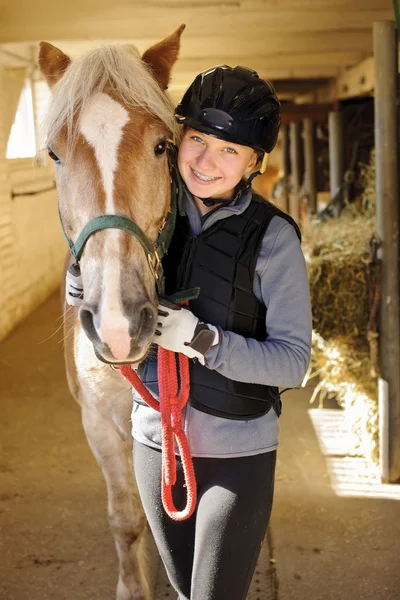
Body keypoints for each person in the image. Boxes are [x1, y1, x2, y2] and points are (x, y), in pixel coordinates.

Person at [131, 65, 312, 600]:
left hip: (239, 452)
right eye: (198, 139)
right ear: (178, 136)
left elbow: (292, 362)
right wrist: (85, 287)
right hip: (155, 440)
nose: (206, 161)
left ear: (255, 162)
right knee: (185, 592)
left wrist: (202, 340)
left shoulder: (273, 238)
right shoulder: (146, 213)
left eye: (230, 150)